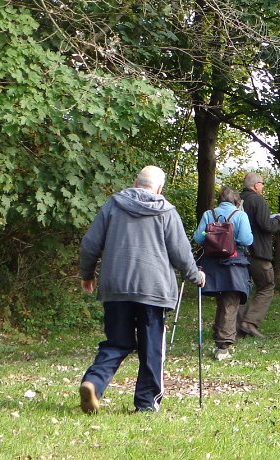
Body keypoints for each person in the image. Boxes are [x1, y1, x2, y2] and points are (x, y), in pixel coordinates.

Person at [78, 166, 205, 414]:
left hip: (116, 287)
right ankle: (146, 403)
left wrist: (87, 274)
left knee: (117, 342)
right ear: (159, 188)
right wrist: (195, 276)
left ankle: (93, 382)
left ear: (135, 183)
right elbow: (181, 253)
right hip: (153, 290)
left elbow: (90, 244)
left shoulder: (113, 205)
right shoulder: (166, 211)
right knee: (152, 348)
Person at [194, 185, 254, 360]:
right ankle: (223, 346)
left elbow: (199, 237)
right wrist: (232, 239)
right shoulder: (240, 215)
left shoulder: (209, 214)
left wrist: (212, 234)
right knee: (230, 302)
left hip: (212, 263)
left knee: (222, 301)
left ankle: (219, 334)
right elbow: (246, 239)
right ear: (236, 201)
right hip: (233, 264)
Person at [237, 172, 280, 339]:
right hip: (258, 252)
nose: (263, 187)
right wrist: (278, 220)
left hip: (239, 253)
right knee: (267, 286)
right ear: (256, 185)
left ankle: (237, 326)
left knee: (241, 290)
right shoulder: (257, 200)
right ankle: (249, 322)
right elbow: (266, 225)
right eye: (262, 184)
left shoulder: (237, 200)